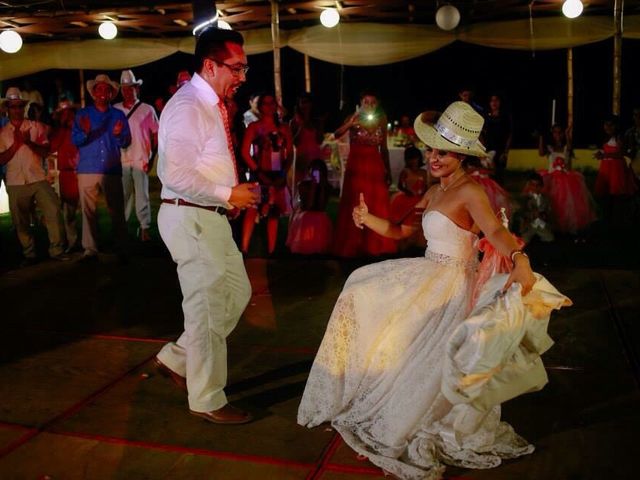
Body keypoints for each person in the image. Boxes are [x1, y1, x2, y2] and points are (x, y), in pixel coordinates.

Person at [298, 102, 570, 480]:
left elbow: (494, 232)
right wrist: (367, 219)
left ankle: (408, 424)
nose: (434, 158)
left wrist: (519, 257)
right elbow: (402, 232)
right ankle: (370, 397)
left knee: (426, 356)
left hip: (452, 287)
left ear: (462, 156)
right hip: (426, 275)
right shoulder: (434, 190)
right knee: (359, 290)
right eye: (431, 150)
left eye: (443, 152)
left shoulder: (471, 191)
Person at [154, 27, 259, 425]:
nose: (243, 76)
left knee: (236, 291)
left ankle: (177, 359)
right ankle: (207, 397)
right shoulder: (188, 106)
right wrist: (228, 193)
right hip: (189, 217)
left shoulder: (209, 103)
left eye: (244, 67)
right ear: (210, 65)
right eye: (237, 68)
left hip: (207, 214)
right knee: (207, 311)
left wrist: (226, 197)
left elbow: (201, 164)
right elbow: (175, 173)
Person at [0, 87, 67, 266]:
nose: (16, 110)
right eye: (13, 107)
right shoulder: (2, 133)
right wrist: (16, 144)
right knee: (19, 220)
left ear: (23, 108)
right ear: (8, 109)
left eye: (19, 106)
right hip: (15, 181)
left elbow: (45, 151)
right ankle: (29, 254)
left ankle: (57, 249)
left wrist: (28, 142)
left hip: (37, 177)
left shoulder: (35, 127)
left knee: (53, 209)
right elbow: (1, 159)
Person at [72, 74, 131, 261]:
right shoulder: (83, 115)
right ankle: (90, 249)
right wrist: (87, 132)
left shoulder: (118, 115)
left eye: (107, 89)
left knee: (116, 210)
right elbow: (75, 140)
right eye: (99, 89)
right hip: (88, 168)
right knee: (88, 211)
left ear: (112, 93)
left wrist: (118, 134)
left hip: (111, 169)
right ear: (93, 92)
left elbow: (126, 141)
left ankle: (121, 247)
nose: (102, 93)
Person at [331, 90, 396, 257]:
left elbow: (384, 148)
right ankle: (354, 243)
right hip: (357, 166)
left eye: (373, 102)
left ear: (377, 105)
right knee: (356, 200)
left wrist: (387, 169)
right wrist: (350, 124)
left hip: (375, 166)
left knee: (375, 203)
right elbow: (336, 135)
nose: (369, 105)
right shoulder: (353, 118)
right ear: (361, 103)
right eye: (366, 102)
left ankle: (376, 243)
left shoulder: (381, 119)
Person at [240, 93, 293, 254]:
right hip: (260, 173)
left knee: (274, 212)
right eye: (265, 103)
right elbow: (244, 152)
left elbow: (289, 153)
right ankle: (244, 248)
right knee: (252, 209)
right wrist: (256, 170)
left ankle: (271, 250)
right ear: (260, 106)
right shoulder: (254, 127)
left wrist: (284, 172)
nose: (269, 107)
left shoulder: (284, 128)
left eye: (272, 103)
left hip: (278, 174)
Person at [114, 70, 159, 242]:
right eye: (124, 88)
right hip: (121, 159)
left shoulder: (147, 109)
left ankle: (144, 228)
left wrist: (151, 157)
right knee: (123, 195)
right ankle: (123, 226)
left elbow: (156, 135)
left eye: (130, 88)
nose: (127, 91)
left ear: (136, 89)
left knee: (142, 194)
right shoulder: (115, 109)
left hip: (140, 158)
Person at [538, 124, 597, 235]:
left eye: (560, 133)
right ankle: (552, 226)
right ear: (552, 134)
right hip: (551, 179)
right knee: (552, 203)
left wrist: (567, 135)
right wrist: (541, 137)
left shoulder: (566, 147)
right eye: (555, 132)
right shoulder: (550, 148)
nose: (558, 135)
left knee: (566, 204)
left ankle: (566, 225)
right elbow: (541, 153)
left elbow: (569, 149)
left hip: (565, 180)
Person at [49, 100, 81, 251]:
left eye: (69, 112)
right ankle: (72, 242)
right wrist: (61, 127)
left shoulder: (79, 129)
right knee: (68, 212)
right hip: (65, 175)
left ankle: (88, 242)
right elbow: (53, 146)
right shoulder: (59, 132)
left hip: (79, 173)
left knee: (85, 211)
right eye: (63, 113)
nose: (67, 116)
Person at [593, 116, 636, 223]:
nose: (607, 127)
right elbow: (606, 151)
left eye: (610, 125)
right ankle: (608, 217)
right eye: (605, 124)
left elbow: (621, 153)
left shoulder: (619, 137)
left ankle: (617, 218)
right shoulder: (606, 138)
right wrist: (601, 153)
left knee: (616, 194)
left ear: (616, 126)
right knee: (606, 194)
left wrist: (605, 154)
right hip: (606, 166)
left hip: (616, 167)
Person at [286, 158, 333, 254]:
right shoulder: (303, 185)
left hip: (319, 216)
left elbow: (320, 207)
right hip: (305, 215)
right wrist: (312, 187)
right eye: (314, 170)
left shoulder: (327, 187)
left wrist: (321, 187)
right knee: (307, 217)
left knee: (320, 218)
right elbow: (308, 206)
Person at [389, 146, 428, 250]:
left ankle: (417, 242)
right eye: (411, 158)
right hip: (407, 198)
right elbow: (400, 186)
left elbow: (426, 187)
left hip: (420, 198)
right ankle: (404, 241)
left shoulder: (423, 173)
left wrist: (423, 195)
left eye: (415, 158)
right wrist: (408, 191)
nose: (413, 161)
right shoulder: (405, 171)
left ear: (419, 158)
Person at [289, 92, 325, 185]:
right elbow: (294, 142)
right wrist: (302, 126)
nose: (305, 105)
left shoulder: (316, 121)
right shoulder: (294, 122)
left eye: (307, 102)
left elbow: (319, 140)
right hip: (301, 157)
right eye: (302, 102)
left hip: (315, 156)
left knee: (316, 182)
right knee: (302, 183)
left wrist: (320, 126)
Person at [483, 93, 512, 184]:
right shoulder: (486, 117)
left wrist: (505, 152)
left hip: (500, 150)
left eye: (496, 100)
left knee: (499, 176)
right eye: (492, 100)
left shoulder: (505, 116)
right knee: (488, 175)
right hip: (488, 149)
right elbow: (482, 133)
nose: (494, 103)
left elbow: (509, 134)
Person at [623, 107, 640, 180]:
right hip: (634, 163)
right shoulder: (630, 132)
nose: (638, 117)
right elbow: (624, 148)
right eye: (636, 115)